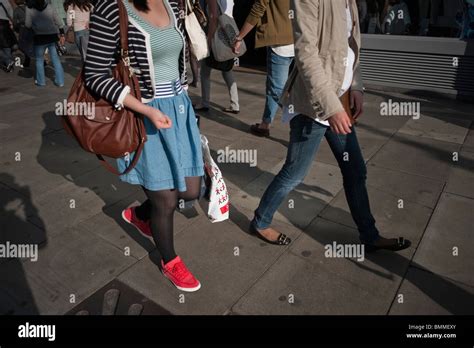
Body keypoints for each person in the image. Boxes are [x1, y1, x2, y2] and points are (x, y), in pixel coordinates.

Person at [250, 0, 411, 253]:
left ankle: (369, 236)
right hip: (314, 106)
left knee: (355, 172)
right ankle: (260, 221)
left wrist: (356, 86)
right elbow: (306, 53)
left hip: (340, 99)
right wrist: (331, 108)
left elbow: (350, 46)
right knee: (294, 173)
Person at [85, 0, 204, 292]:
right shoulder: (111, 8)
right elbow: (94, 74)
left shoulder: (173, 3)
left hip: (178, 109)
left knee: (191, 190)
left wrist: (184, 98)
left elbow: (178, 55)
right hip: (143, 114)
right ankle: (169, 261)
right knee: (166, 199)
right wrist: (145, 109)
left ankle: (140, 215)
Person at [233, 0, 294, 138]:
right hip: (298, 40)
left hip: (280, 43)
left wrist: (239, 37)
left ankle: (298, 120)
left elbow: (258, 8)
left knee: (276, 90)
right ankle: (265, 123)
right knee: (273, 85)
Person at [194, 0, 240, 114]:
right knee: (227, 70)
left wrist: (209, 39)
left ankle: (205, 103)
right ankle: (235, 104)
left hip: (215, 35)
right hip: (227, 35)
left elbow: (213, 17)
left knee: (205, 71)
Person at [25, 0, 65, 86]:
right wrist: (62, 33)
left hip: (39, 37)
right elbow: (58, 21)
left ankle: (41, 82)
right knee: (55, 59)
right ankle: (60, 82)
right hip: (52, 36)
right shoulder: (50, 6)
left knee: (39, 60)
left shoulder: (29, 8)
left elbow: (27, 24)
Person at [13, 0, 32, 68]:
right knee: (32, 44)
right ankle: (41, 61)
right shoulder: (29, 7)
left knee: (22, 45)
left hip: (23, 29)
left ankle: (28, 59)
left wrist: (16, 29)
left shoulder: (16, 10)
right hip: (32, 28)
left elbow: (15, 22)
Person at [0, 0, 16, 72]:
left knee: (4, 45)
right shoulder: (6, 1)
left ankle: (7, 61)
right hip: (5, 24)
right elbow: (11, 14)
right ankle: (9, 64)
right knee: (6, 45)